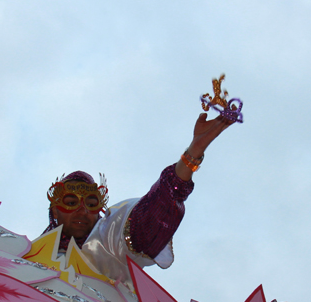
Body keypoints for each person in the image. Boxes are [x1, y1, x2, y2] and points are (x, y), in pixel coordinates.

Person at [42, 78, 241, 283]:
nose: (82, 211)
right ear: (55, 210)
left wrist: (193, 153)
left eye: (91, 204)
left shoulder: (104, 247)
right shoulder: (22, 257)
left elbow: (148, 217)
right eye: (71, 203)